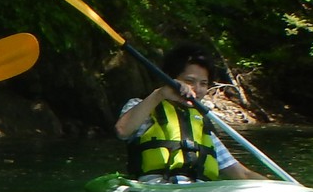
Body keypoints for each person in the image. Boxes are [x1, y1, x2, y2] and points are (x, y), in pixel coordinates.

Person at [113, 43, 268, 182]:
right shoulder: (142, 106)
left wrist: (284, 190)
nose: (197, 89)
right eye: (189, 81)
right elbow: (122, 130)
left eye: (203, 83)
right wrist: (160, 94)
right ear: (171, 79)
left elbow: (242, 174)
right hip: (157, 189)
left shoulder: (200, 123)